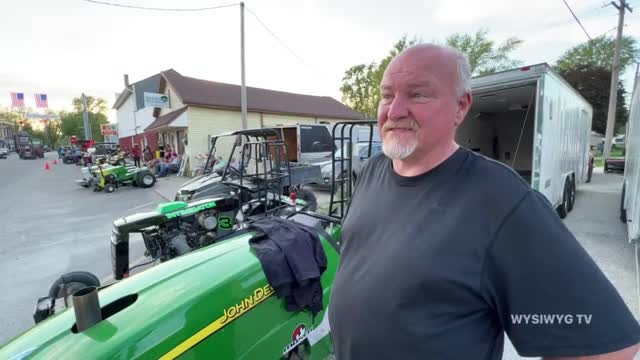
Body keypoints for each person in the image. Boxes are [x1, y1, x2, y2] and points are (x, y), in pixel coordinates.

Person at [328, 44, 640, 360]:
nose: (394, 111)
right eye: (386, 95)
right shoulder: (371, 171)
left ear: (461, 107)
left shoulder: (501, 201)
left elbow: (606, 348)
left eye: (418, 94)